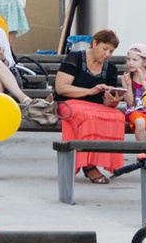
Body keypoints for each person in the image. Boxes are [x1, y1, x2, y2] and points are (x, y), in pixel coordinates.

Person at [54, 28, 131, 183]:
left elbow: (107, 103)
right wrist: (89, 91)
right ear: (94, 43)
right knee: (88, 117)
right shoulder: (75, 58)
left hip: (96, 106)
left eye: (111, 51)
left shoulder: (111, 69)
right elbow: (61, 87)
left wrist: (113, 100)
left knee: (117, 117)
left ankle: (103, 161)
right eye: (105, 49)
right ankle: (89, 165)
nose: (107, 54)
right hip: (69, 102)